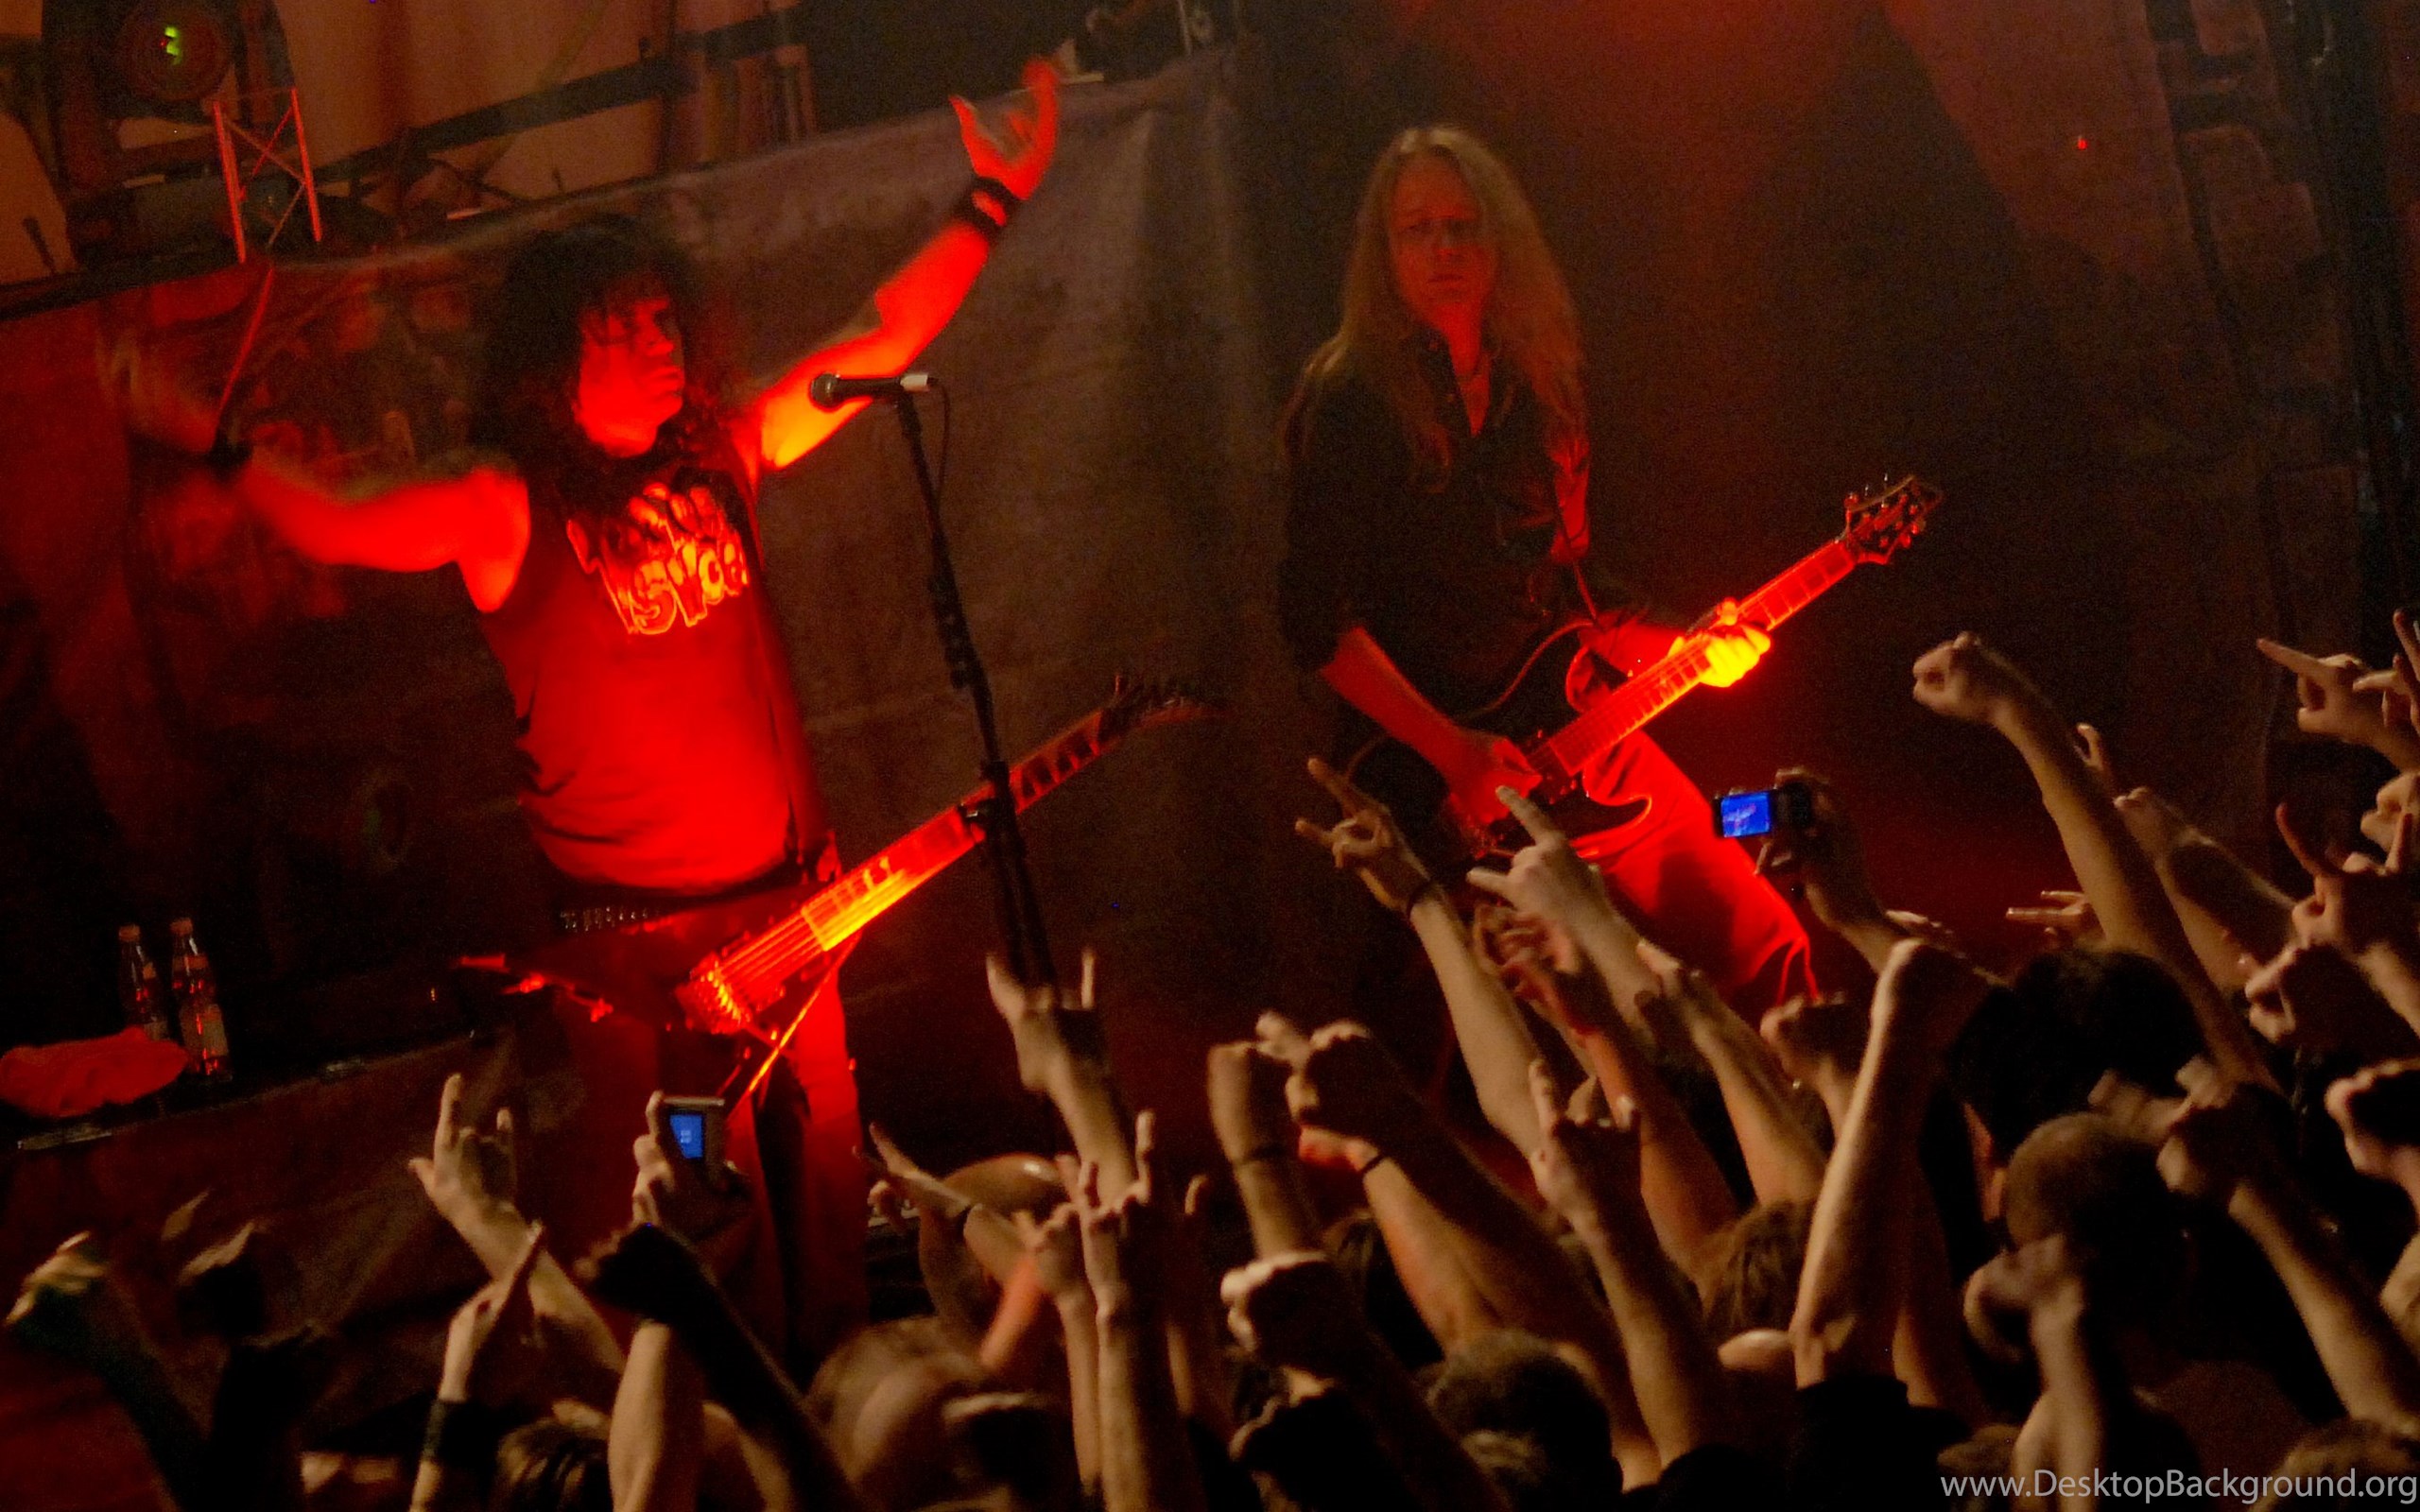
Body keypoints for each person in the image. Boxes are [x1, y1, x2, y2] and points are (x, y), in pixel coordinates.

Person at [116, 64, 1061, 1360]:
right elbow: (342, 523)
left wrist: (994, 196)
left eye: (668, 318)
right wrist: (212, 450)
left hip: (795, 916)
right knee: (709, 1214)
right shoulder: (506, 503)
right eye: (628, 325)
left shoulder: (723, 452)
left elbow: (872, 339)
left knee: (833, 1192)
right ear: (557, 354)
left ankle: (847, 1414)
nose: (663, 341)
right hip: (646, 966)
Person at [1276, 124, 1813, 1013]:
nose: (1444, 249)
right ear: (1385, 254)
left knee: (1763, 943)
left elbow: (1573, 588)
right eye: (1418, 230)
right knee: (1532, 1022)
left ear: (1501, 243)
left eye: (1463, 226)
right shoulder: (1350, 400)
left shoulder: (1537, 381)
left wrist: (1687, 648)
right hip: (1436, 774)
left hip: (1576, 732)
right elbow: (1314, 623)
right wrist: (1454, 753)